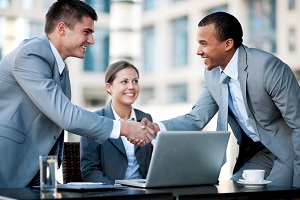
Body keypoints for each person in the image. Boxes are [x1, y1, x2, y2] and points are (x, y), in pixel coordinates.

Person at [0, 0, 152, 188]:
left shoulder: (59, 66)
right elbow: (66, 115)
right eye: (86, 32)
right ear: (62, 28)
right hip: (8, 167)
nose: (91, 40)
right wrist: (126, 128)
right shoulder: (30, 55)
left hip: (36, 172)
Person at [141, 11, 300, 188]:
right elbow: (196, 118)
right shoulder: (212, 75)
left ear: (228, 44)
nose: (198, 51)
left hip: (288, 152)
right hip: (258, 154)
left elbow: (299, 124)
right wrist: (157, 128)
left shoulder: (267, 68)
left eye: (204, 44)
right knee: (230, 190)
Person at [80, 60, 153, 184]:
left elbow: (152, 163)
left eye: (135, 81)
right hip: (111, 192)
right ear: (109, 87)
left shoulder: (145, 118)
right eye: (124, 81)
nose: (131, 86)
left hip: (144, 192)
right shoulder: (94, 121)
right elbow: (89, 171)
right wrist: (115, 190)